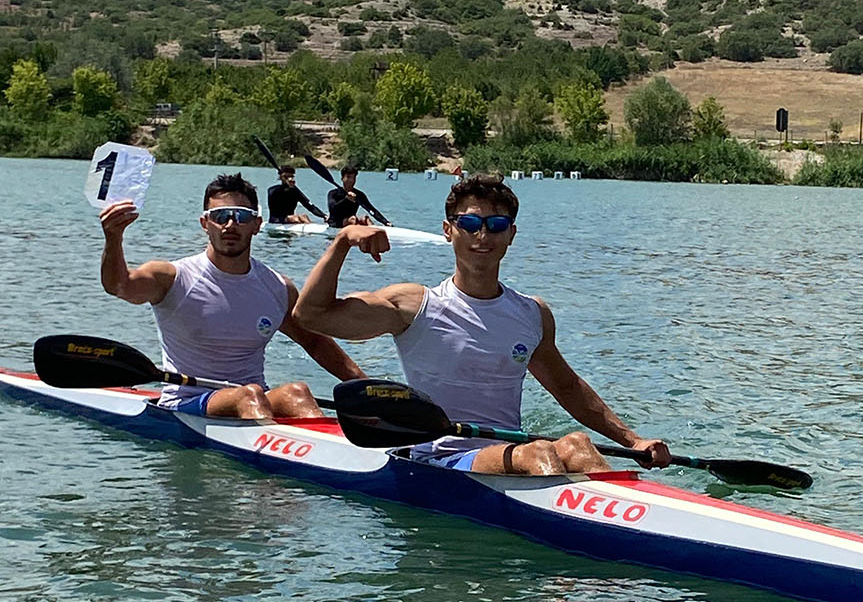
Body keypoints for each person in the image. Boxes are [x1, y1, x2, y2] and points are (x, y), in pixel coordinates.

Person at [294, 173, 670, 476]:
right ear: (448, 230)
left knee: (578, 445)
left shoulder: (532, 313)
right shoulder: (412, 306)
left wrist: (632, 441)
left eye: (496, 225)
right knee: (537, 452)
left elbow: (568, 387)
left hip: (509, 453)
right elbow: (310, 315)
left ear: (511, 234)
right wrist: (342, 242)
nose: (482, 235)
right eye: (470, 223)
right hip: (438, 459)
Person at [99, 171, 373, 421]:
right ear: (205, 223)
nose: (230, 225)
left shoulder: (277, 287)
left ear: (256, 224)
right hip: (188, 401)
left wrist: (368, 390)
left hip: (254, 398)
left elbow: (315, 342)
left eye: (241, 216)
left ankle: (334, 452)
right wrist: (113, 238)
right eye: (220, 216)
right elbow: (119, 286)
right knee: (249, 395)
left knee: (297, 393)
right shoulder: (172, 278)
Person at [326, 163, 390, 230]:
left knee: (365, 219)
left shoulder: (359, 195)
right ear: (342, 178)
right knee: (353, 219)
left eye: (353, 178)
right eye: (348, 177)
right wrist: (346, 199)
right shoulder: (333, 193)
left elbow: (372, 210)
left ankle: (374, 234)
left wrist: (385, 222)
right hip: (335, 223)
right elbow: (332, 209)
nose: (351, 180)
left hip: (352, 221)